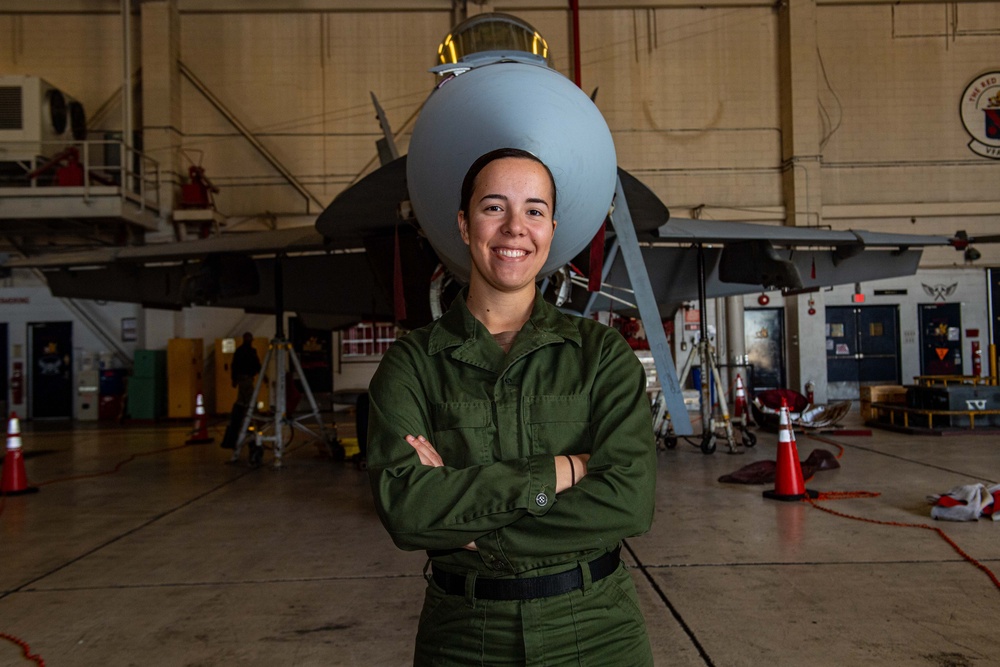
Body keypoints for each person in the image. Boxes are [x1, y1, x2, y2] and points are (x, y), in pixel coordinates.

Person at [367, 147, 657, 665]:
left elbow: (628, 500)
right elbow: (408, 513)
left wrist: (473, 523)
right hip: (462, 638)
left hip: (597, 631)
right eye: (494, 207)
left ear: (551, 227)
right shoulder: (411, 365)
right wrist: (563, 470)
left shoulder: (601, 355)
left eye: (534, 211)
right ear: (463, 223)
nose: (515, 228)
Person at [221, 332, 262, 457]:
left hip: (243, 378)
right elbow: (255, 364)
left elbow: (236, 366)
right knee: (249, 398)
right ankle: (252, 414)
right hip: (246, 378)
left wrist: (234, 379)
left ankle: (242, 413)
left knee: (242, 398)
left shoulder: (241, 351)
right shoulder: (248, 351)